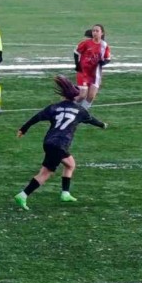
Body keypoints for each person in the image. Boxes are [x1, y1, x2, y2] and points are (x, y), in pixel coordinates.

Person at [13, 75, 108, 210]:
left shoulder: (54, 107)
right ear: (75, 97)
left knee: (70, 164)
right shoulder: (80, 110)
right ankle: (23, 195)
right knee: (46, 172)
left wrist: (23, 129)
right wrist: (103, 125)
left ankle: (65, 193)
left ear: (63, 96)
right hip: (60, 144)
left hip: (49, 141)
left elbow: (36, 118)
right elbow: (92, 120)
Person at [74, 24, 111, 108]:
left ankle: (81, 113)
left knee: (90, 97)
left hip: (95, 74)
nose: (95, 32)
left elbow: (108, 58)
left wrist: (103, 62)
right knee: (82, 95)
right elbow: (76, 52)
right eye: (93, 31)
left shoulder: (104, 45)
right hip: (83, 72)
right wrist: (77, 64)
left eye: (97, 31)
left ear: (102, 33)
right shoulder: (86, 43)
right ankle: (69, 106)